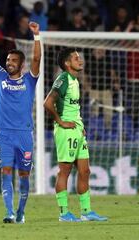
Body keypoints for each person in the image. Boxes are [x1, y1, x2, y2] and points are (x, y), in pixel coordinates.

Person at [0, 16, 41, 224]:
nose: (9, 63)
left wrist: (37, 36)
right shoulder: (1, 77)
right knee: (5, 171)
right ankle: (9, 212)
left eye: (13, 61)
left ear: (21, 64)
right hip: (3, 133)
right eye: (8, 60)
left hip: (24, 135)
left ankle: (21, 212)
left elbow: (37, 60)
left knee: (23, 175)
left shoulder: (30, 80)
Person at [43, 48, 108, 222]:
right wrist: (60, 121)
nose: (80, 60)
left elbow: (72, 107)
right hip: (66, 130)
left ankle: (86, 212)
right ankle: (64, 213)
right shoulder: (63, 79)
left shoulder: (75, 80)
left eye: (79, 57)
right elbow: (48, 103)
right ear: (67, 63)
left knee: (85, 171)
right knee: (65, 171)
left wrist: (80, 126)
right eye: (76, 58)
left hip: (77, 129)